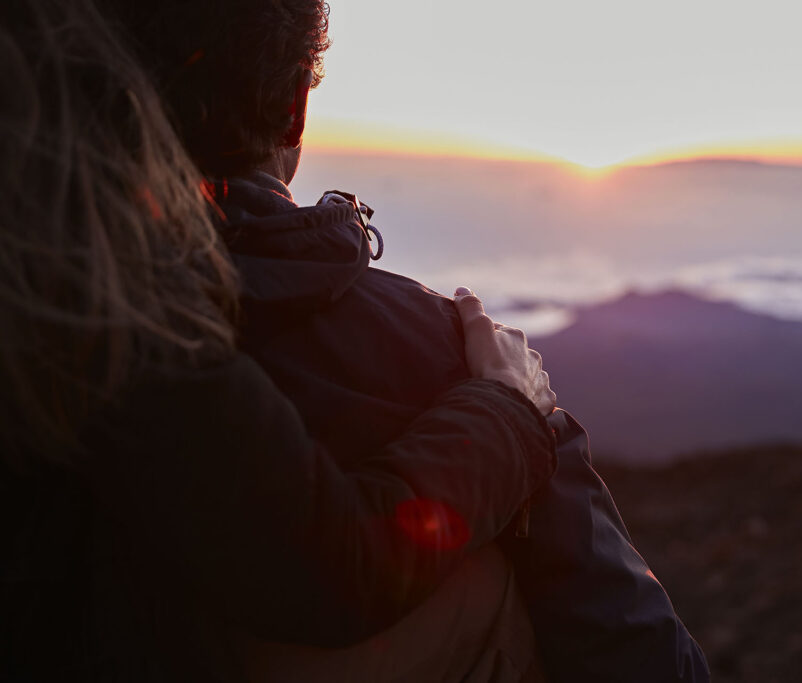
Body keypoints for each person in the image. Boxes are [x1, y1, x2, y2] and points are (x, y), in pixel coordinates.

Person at [99, 1, 711, 680]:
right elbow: (624, 627)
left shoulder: (56, 303)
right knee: (490, 580)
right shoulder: (448, 350)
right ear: (297, 104)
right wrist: (513, 408)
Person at [0, 1, 560, 679]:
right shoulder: (85, 267)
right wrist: (508, 406)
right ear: (296, 104)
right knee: (484, 595)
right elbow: (330, 568)